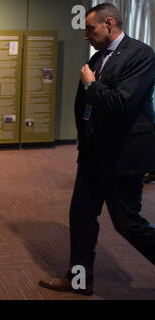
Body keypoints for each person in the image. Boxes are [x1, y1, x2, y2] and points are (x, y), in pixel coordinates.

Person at [39, 3, 155, 296]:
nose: (86, 35)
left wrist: (91, 86)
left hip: (123, 156)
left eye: (90, 28)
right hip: (93, 154)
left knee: (128, 223)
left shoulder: (141, 54)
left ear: (109, 23)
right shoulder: (99, 57)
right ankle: (80, 280)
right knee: (81, 216)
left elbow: (122, 104)